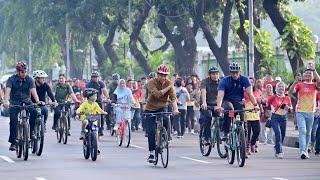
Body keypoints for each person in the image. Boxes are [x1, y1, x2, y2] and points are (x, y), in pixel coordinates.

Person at [3, 62, 42, 151]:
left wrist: (37, 101)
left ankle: (31, 132)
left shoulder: (30, 79)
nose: (24, 73)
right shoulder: (11, 79)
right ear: (18, 72)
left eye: (25, 71)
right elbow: (8, 91)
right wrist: (6, 101)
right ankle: (13, 142)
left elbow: (33, 91)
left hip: (27, 101)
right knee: (13, 120)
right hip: (14, 102)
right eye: (22, 72)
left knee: (34, 112)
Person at [215, 62, 259, 139]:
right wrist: (219, 106)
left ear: (239, 72)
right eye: (233, 73)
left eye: (236, 72)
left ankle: (243, 139)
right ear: (230, 72)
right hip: (227, 100)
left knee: (242, 118)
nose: (235, 74)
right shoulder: (224, 80)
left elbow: (250, 93)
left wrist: (255, 105)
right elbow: (220, 95)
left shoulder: (245, 80)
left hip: (238, 101)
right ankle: (226, 132)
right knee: (230, 110)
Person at [145, 64, 179, 163]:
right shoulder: (151, 82)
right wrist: (169, 87)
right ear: (157, 74)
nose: (163, 77)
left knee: (167, 119)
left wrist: (175, 109)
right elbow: (157, 94)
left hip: (162, 107)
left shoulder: (168, 83)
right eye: (161, 75)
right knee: (151, 131)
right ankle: (151, 153)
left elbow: (173, 98)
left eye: (165, 75)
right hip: (150, 108)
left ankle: (164, 138)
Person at [289, 63, 320, 159]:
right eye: (306, 74)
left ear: (312, 76)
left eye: (309, 74)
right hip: (300, 111)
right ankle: (302, 150)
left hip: (311, 112)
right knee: (302, 130)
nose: (307, 75)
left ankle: (305, 150)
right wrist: (295, 82)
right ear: (303, 76)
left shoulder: (315, 85)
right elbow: (290, 92)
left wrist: (313, 70)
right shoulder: (299, 85)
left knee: (308, 132)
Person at [268, 81, 292, 159]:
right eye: (279, 86)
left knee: (283, 135)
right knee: (278, 134)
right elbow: (267, 105)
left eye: (282, 86)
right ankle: (279, 152)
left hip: (284, 118)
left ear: (284, 89)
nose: (281, 88)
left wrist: (288, 108)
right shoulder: (273, 97)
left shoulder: (287, 98)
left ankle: (276, 146)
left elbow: (291, 108)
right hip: (275, 117)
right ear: (276, 89)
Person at [200, 67, 220, 144]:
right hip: (207, 104)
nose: (215, 76)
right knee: (208, 117)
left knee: (221, 117)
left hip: (217, 104)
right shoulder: (205, 82)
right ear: (209, 75)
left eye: (216, 74)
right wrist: (204, 102)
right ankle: (206, 137)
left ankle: (223, 134)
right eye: (213, 74)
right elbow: (203, 92)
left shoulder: (221, 82)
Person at [86, 71, 109, 136]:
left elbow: (104, 91)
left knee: (101, 115)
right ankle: (89, 128)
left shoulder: (101, 83)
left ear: (98, 77)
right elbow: (85, 92)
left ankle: (101, 129)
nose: (95, 78)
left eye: (96, 77)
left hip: (99, 101)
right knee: (89, 114)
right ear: (91, 78)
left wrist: (108, 98)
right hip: (90, 102)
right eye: (93, 77)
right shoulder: (89, 84)